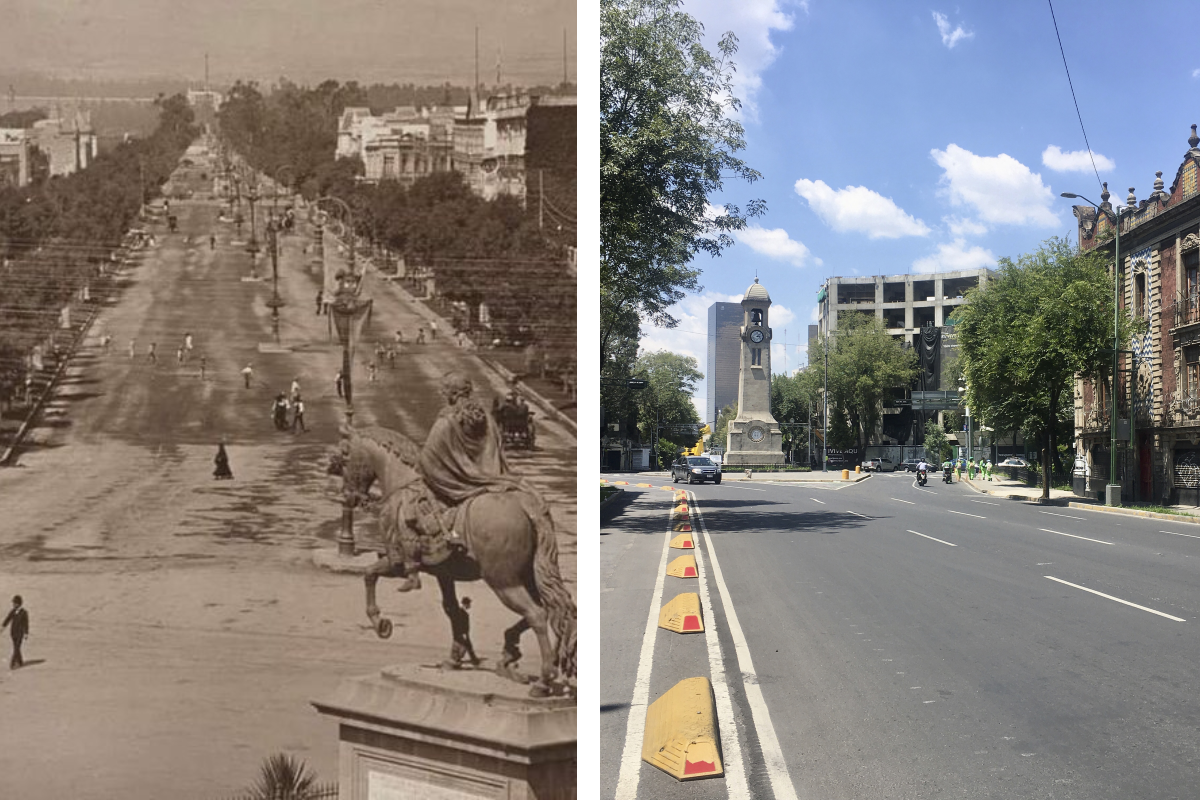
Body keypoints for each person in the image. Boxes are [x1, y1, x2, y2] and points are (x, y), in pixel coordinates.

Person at [2, 595, 29, 669]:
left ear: (19, 603)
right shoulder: (13, 611)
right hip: (13, 633)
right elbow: (8, 619)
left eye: (15, 603)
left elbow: (26, 624)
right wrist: (3, 627)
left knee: (16, 647)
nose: (13, 604)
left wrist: (26, 633)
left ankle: (12, 663)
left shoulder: (24, 612)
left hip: (20, 633)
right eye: (13, 603)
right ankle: (20, 661)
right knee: (16, 647)